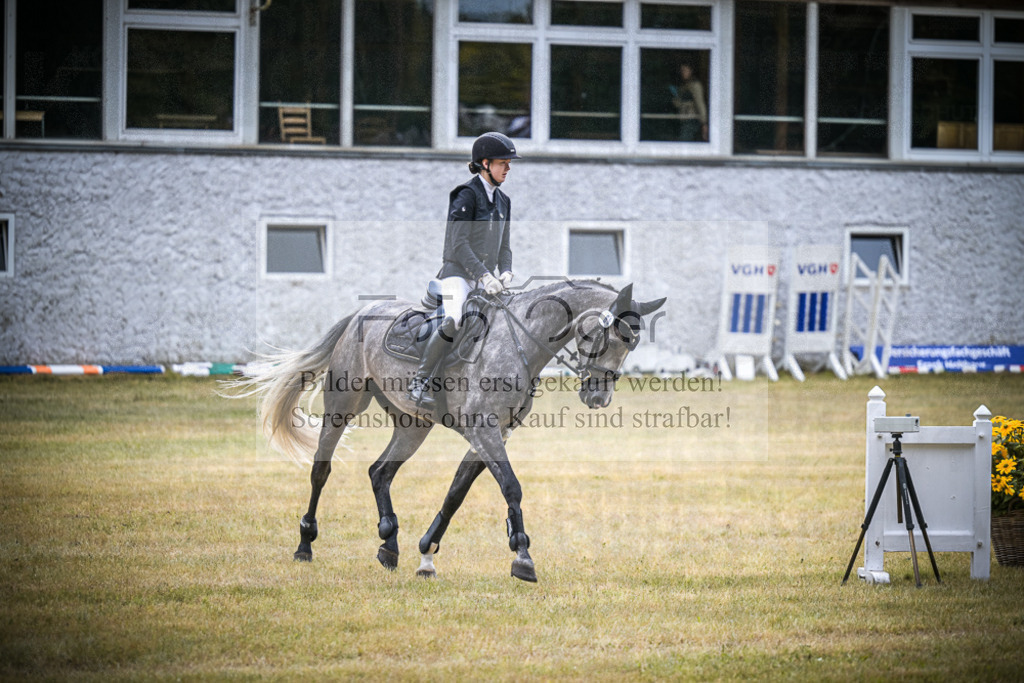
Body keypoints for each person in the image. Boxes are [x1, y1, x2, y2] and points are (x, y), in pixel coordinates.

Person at [407, 131, 521, 409]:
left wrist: (505, 271)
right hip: (457, 274)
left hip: (488, 278)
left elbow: (505, 246)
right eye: (502, 162)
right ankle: (420, 381)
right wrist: (484, 274)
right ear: (484, 163)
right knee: (455, 319)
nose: (508, 168)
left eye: (508, 163)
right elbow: (459, 243)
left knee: (503, 321)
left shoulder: (504, 201)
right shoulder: (466, 195)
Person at [670, 63, 708, 142]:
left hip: (692, 118)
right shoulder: (683, 86)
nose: (683, 73)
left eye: (685, 70)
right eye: (681, 71)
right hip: (683, 118)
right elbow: (680, 103)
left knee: (685, 141)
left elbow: (700, 103)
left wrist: (704, 123)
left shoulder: (695, 85)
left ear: (691, 71)